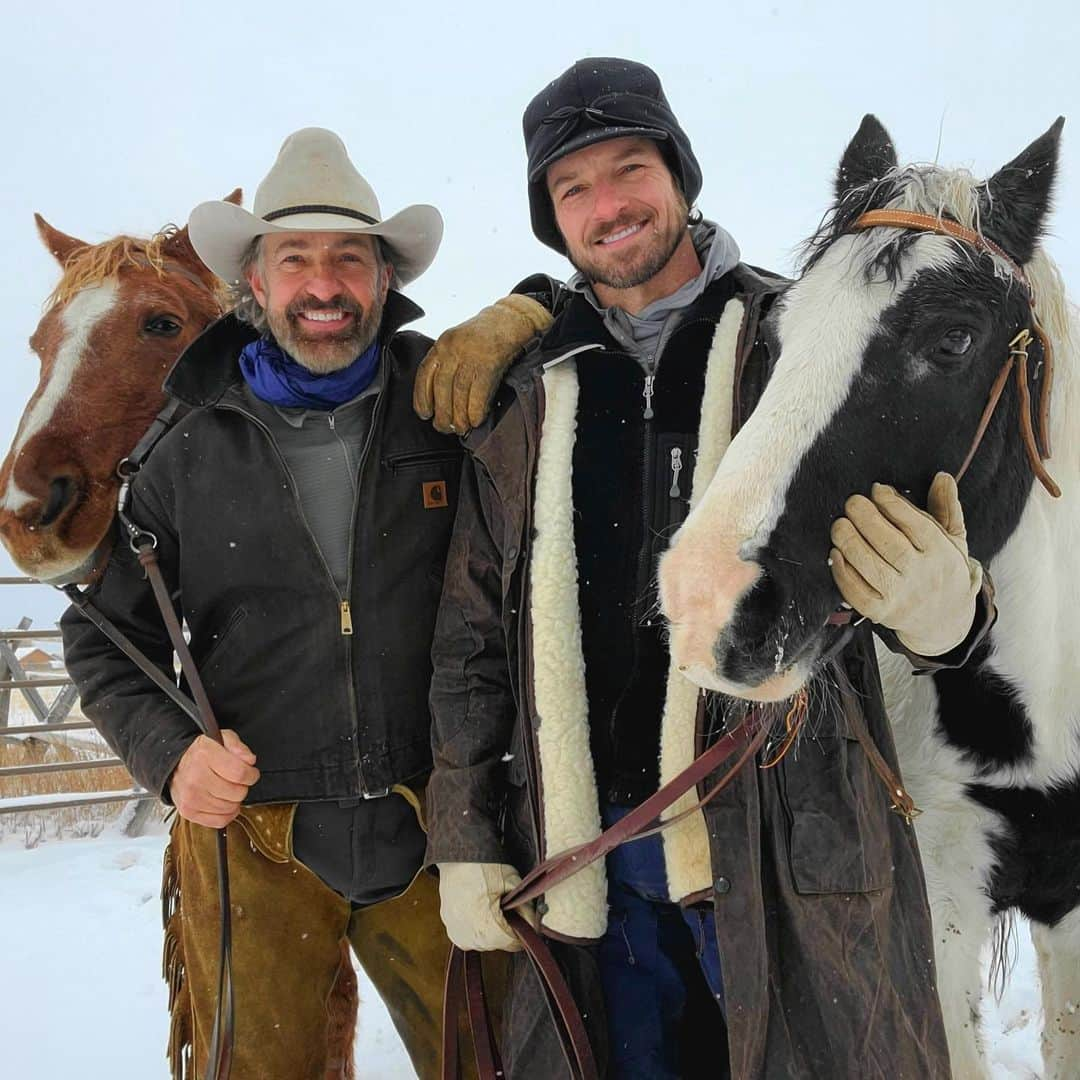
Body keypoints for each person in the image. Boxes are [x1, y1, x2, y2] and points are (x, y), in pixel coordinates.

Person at [423, 59, 995, 1078]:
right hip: (588, 849)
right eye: (572, 188)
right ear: (551, 221)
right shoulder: (525, 393)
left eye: (629, 167)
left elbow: (932, 556)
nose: (608, 206)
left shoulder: (804, 340)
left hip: (786, 847)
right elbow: (472, 633)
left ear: (681, 175)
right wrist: (466, 836)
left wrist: (953, 617)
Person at [60, 127, 550, 1080]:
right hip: (257, 842)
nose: (323, 285)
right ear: (256, 281)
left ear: (381, 278)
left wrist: (530, 309)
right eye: (296, 261)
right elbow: (103, 635)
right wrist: (171, 760)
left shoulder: (452, 408)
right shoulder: (180, 442)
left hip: (443, 832)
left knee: (498, 1065)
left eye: (348, 260)